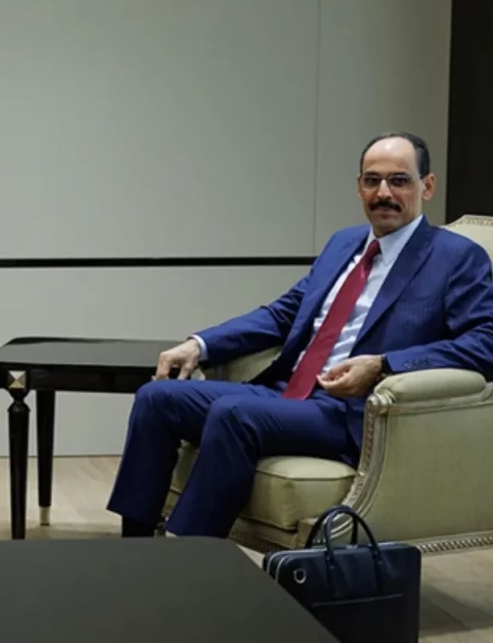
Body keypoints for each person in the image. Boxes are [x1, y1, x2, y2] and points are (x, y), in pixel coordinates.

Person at [107, 131, 493, 539]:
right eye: (372, 180)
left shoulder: (456, 258)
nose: (383, 193)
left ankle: (189, 557)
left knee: (233, 414)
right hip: (288, 392)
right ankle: (135, 548)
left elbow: (485, 342)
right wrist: (200, 345)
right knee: (156, 398)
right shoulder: (343, 243)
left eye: (399, 180)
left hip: (353, 411)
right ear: (359, 187)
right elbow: (283, 315)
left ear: (426, 186)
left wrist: (383, 366)